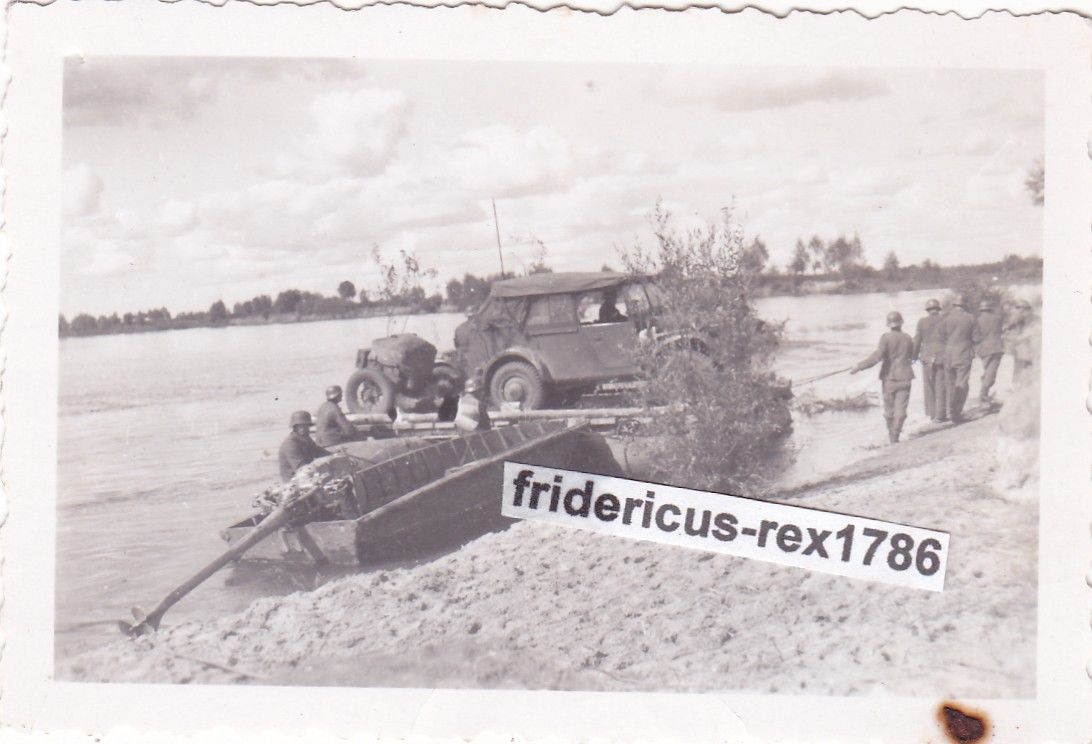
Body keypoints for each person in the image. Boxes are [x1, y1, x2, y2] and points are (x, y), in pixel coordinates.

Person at [851, 311, 915, 444]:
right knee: (901, 410)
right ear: (901, 323)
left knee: (889, 411)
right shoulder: (908, 338)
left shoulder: (885, 338)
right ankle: (895, 436)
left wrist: (859, 366)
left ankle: (892, 437)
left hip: (889, 378)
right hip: (905, 377)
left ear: (889, 324)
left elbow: (876, 357)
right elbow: (912, 356)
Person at [941, 293, 980, 423]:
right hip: (963, 354)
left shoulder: (946, 318)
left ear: (954, 305)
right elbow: (976, 338)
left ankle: (949, 411)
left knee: (950, 384)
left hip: (948, 355)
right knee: (962, 384)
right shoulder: (970, 318)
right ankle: (956, 414)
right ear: (965, 305)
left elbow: (941, 337)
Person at [912, 298, 948, 422]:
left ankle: (932, 415)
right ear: (938, 309)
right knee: (941, 385)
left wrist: (913, 356)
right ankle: (940, 414)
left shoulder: (921, 322)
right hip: (942, 357)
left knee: (929, 387)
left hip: (927, 357)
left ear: (928, 310)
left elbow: (917, 340)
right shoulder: (945, 320)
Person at [278, 410, 331, 482]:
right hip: (294, 481)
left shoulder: (305, 438)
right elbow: (301, 468)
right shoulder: (290, 444)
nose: (303, 429)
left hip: (306, 474)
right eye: (299, 426)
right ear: (294, 427)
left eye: (305, 426)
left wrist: (332, 455)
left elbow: (317, 451)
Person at [974, 299, 1004, 402]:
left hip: (983, 350)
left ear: (981, 309)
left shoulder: (976, 320)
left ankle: (984, 393)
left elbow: (976, 337)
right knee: (991, 373)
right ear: (990, 309)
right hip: (996, 348)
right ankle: (983, 395)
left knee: (988, 372)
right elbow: (1000, 331)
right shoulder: (997, 318)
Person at [1004, 298, 1038, 382]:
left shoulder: (1018, 315)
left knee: (1019, 364)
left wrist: (1007, 330)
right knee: (1028, 363)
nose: (1016, 309)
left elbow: (1007, 327)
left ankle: (1016, 383)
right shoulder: (1033, 316)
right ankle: (1028, 383)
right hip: (1029, 342)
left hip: (1020, 343)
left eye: (1017, 307)